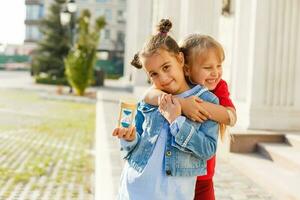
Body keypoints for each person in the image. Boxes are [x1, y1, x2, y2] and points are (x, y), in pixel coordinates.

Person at [112, 19, 220, 200]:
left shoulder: (207, 100)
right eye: (153, 74)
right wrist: (129, 139)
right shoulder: (151, 99)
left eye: (166, 67)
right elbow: (136, 141)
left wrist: (177, 121)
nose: (162, 77)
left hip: (173, 193)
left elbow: (208, 149)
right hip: (133, 188)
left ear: (180, 59)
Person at [143, 34, 237, 200]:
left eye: (219, 65)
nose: (215, 73)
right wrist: (183, 103)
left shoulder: (218, 86)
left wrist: (196, 106)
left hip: (203, 177)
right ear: (186, 68)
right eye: (208, 68)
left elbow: (231, 117)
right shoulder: (177, 85)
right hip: (175, 176)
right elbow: (149, 95)